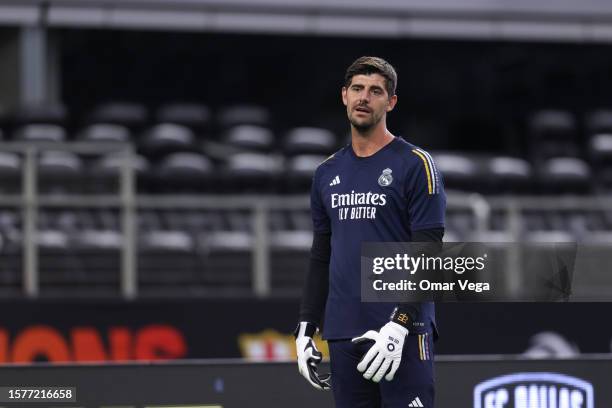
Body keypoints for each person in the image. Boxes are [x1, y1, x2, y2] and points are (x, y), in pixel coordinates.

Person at [294, 56, 446, 408]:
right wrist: (305, 327)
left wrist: (400, 324)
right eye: (357, 89)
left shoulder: (416, 164)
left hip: (403, 333)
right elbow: (321, 256)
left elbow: (429, 253)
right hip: (343, 334)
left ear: (390, 102)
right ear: (344, 96)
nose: (364, 97)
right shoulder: (325, 173)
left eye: (375, 91)